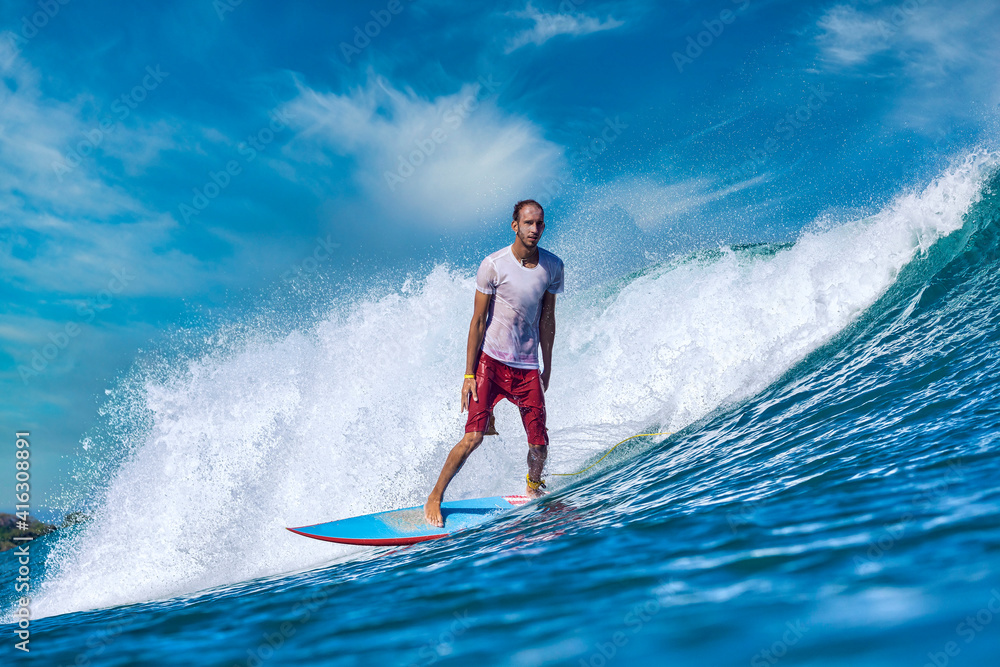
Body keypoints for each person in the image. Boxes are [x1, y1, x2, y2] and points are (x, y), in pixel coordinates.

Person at [424, 199, 564, 527]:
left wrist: (548, 366)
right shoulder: (494, 264)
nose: (534, 230)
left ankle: (533, 488)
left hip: (527, 368)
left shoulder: (553, 267)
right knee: (473, 437)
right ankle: (435, 496)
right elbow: (476, 321)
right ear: (514, 225)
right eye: (528, 223)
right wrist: (469, 373)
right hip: (491, 363)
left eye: (539, 224)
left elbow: (548, 319)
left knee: (539, 446)